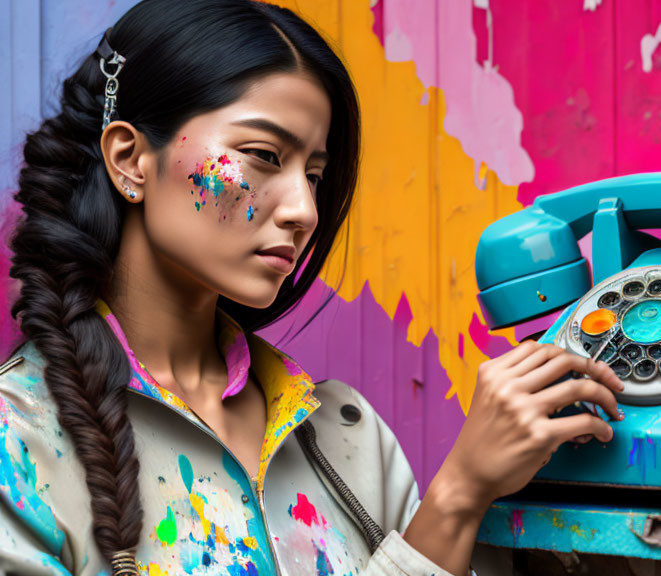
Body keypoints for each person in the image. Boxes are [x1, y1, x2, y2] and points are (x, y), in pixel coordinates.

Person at [0, 1, 624, 574]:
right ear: (130, 158)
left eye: (316, 175)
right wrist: (455, 496)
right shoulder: (17, 448)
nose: (304, 210)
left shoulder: (346, 434)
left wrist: (489, 494)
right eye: (264, 156)